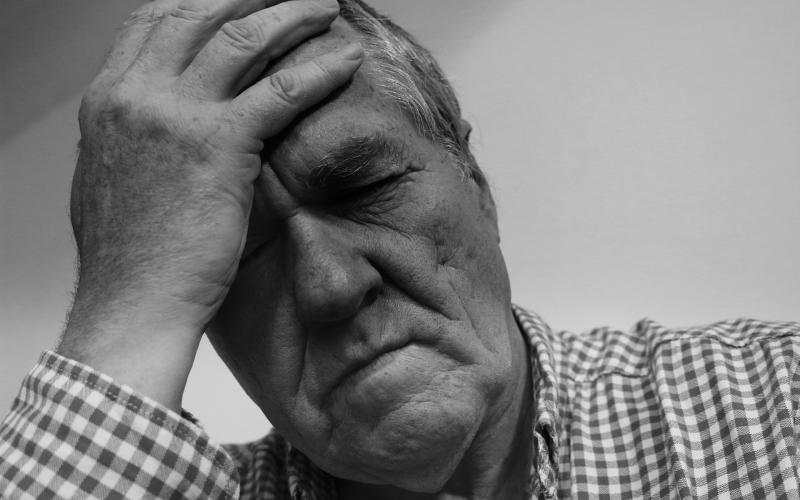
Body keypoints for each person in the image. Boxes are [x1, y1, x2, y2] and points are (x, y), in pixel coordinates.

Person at [1, 0, 798, 498]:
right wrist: (123, 306)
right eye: (238, 252)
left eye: (361, 189)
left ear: (475, 183)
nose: (329, 286)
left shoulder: (772, 400)